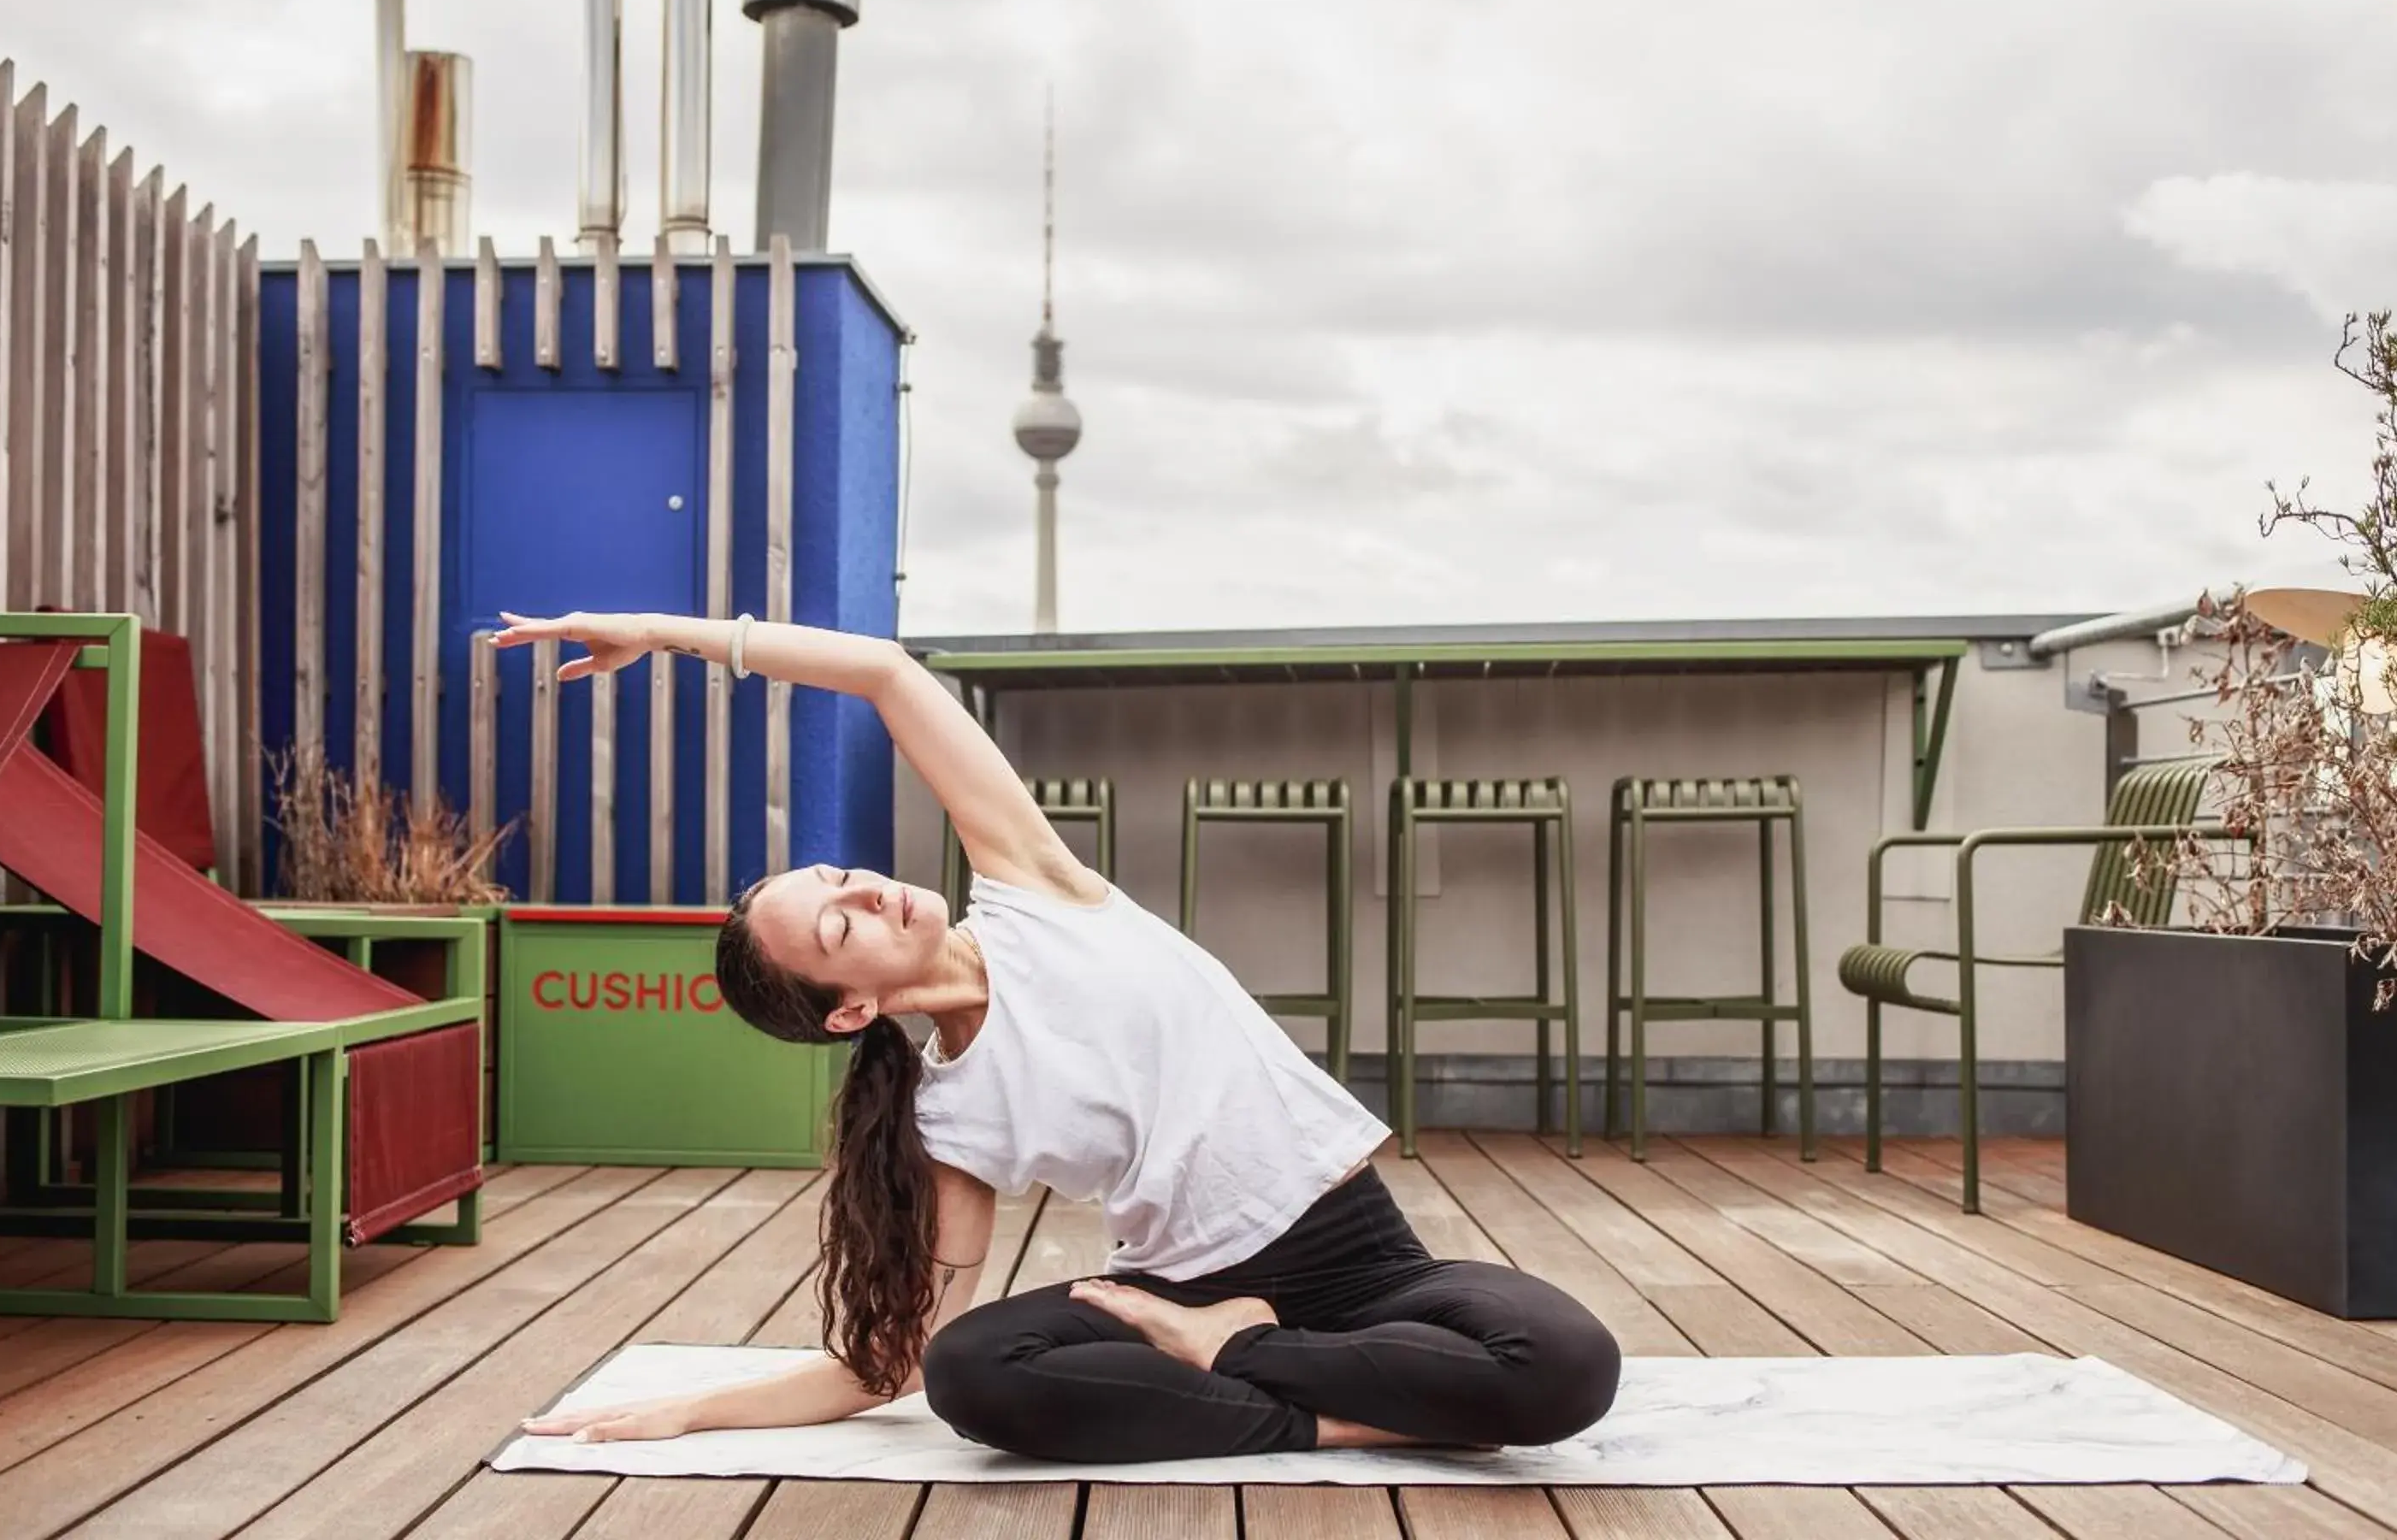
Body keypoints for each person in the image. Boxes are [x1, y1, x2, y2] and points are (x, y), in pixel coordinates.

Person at [508, 610, 1621, 1464]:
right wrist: (690, 1412)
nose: (874, 892)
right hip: (1171, 1292)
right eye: (841, 922)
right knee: (971, 1372)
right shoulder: (948, 1115)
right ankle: (1343, 1412)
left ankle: (1245, 1361)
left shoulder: (1034, 888)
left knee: (1570, 1366)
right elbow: (888, 1365)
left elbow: (889, 676)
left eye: (842, 877)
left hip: (1361, 1260)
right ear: (851, 1010)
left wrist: (666, 635)